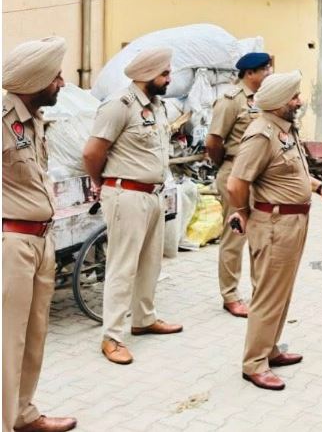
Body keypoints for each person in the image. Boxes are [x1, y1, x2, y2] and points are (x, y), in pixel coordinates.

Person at [225, 70, 322, 390]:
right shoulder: (261, 135)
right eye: (294, 97)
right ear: (279, 102)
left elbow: (290, 174)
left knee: (282, 291)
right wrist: (241, 212)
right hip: (275, 225)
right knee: (268, 294)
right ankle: (254, 363)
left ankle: (270, 349)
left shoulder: (284, 130)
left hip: (293, 222)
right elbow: (236, 183)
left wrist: (320, 188)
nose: (299, 101)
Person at [84, 47, 183, 365]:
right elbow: (92, 153)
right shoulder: (119, 105)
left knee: (150, 262)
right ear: (147, 75)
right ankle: (112, 337)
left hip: (153, 195)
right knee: (122, 267)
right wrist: (103, 183)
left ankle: (144, 319)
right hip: (126, 194)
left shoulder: (157, 106)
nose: (169, 79)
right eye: (165, 73)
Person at [3, 37, 78, 432]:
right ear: (35, 81)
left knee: (33, 335)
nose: (61, 83)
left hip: (40, 240)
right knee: (7, 340)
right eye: (56, 77)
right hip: (11, 243)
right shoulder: (1, 121)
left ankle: (23, 414)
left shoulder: (34, 122)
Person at [206, 52, 273, 318]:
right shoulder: (231, 100)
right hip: (235, 173)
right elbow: (213, 142)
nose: (269, 73)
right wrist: (227, 165)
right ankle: (230, 295)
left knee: (260, 233)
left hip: (260, 175)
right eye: (265, 69)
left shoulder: (265, 99)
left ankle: (259, 291)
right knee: (235, 235)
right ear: (250, 73)